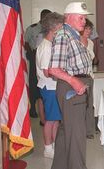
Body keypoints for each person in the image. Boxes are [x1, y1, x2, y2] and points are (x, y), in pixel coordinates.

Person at [48, 2, 93, 169]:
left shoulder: (73, 35)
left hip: (76, 85)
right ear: (69, 17)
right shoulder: (63, 36)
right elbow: (53, 69)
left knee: (67, 132)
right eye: (81, 18)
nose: (84, 21)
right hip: (72, 87)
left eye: (85, 18)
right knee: (76, 137)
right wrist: (74, 81)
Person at [36, 12, 64, 159]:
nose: (62, 29)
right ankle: (48, 148)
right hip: (49, 87)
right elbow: (48, 72)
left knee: (55, 120)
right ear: (54, 28)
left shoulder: (50, 44)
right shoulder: (46, 47)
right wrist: (65, 75)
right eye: (61, 26)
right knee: (51, 120)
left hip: (53, 87)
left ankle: (54, 146)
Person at [25, 8, 51, 122]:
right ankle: (33, 108)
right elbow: (25, 42)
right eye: (46, 17)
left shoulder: (50, 29)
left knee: (45, 82)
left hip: (48, 56)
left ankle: (45, 111)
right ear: (42, 17)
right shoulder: (33, 28)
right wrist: (31, 54)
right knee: (34, 81)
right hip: (35, 56)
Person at [80, 18, 95, 139]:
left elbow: (91, 58)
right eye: (86, 29)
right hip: (78, 77)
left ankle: (89, 131)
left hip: (89, 75)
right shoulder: (76, 41)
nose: (89, 31)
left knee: (89, 104)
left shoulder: (91, 42)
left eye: (90, 29)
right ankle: (80, 129)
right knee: (80, 105)